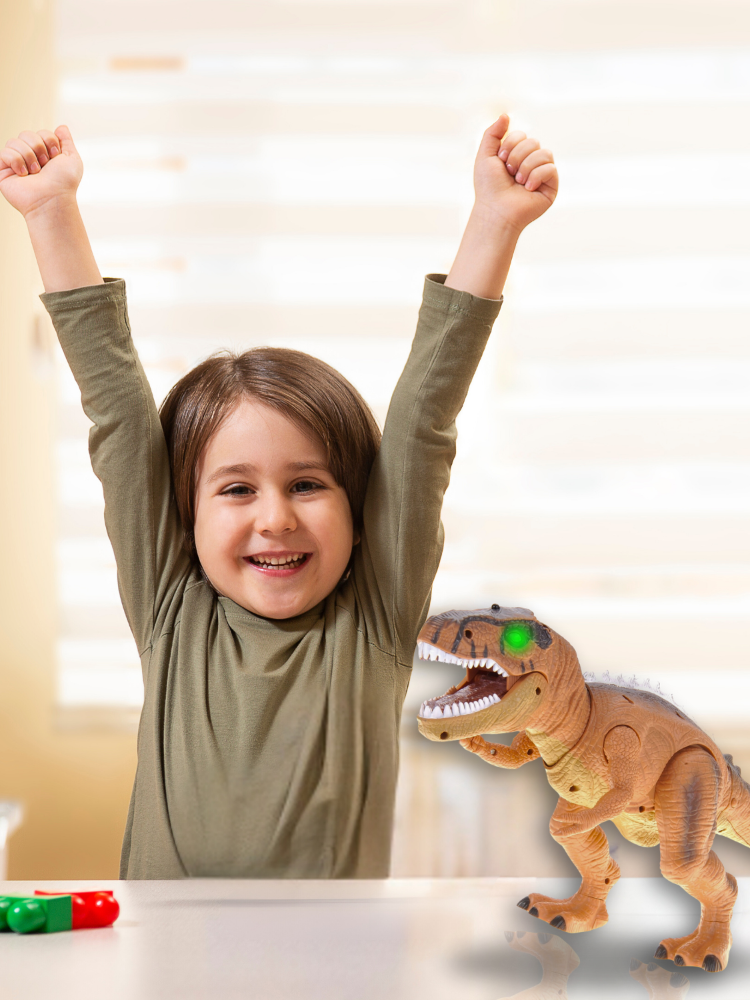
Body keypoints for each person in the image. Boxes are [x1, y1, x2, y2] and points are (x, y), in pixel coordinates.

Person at [0, 116, 558, 878]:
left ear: (362, 515)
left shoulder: (375, 619)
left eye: (307, 484)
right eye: (236, 489)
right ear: (183, 515)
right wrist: (50, 210)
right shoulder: (172, 609)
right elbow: (118, 418)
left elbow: (423, 423)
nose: (276, 518)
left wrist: (494, 221)